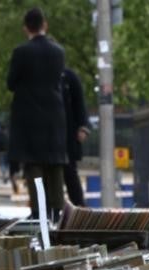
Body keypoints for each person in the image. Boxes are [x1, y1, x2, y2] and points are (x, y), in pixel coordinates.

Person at [7, 7, 67, 220]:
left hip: (30, 117)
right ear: (45, 25)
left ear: (26, 28)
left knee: (34, 166)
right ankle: (57, 210)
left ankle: (39, 211)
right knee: (55, 165)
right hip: (54, 116)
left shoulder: (21, 52)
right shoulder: (58, 52)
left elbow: (11, 83)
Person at [61, 66, 90, 207]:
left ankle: (79, 207)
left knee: (70, 173)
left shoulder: (68, 77)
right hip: (53, 134)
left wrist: (83, 127)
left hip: (67, 134)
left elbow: (79, 103)